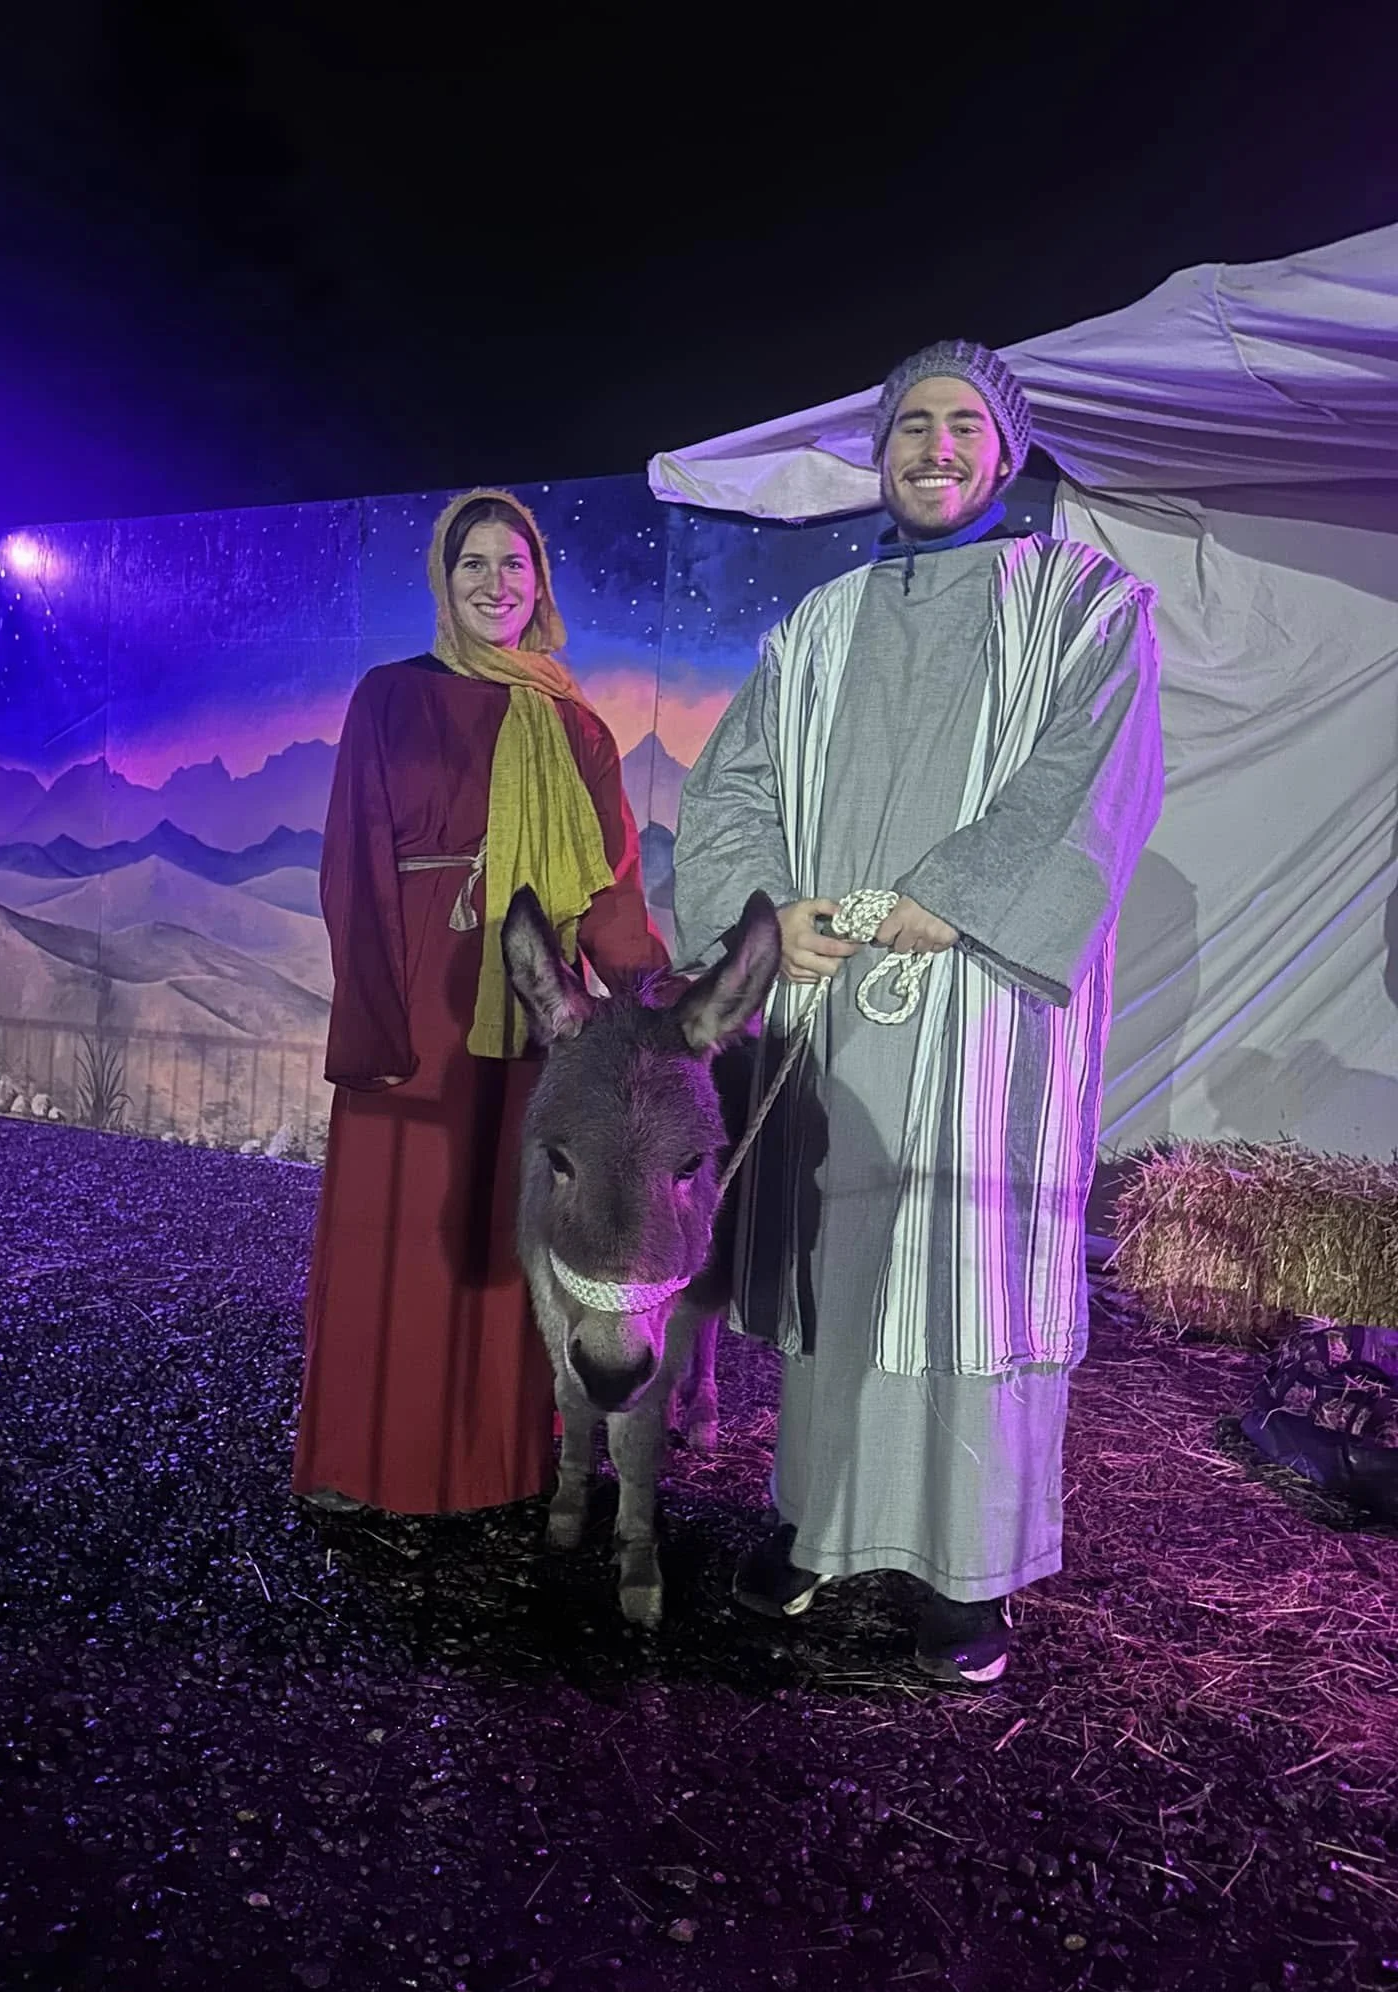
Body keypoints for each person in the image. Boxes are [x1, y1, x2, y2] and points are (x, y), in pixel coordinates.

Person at [673, 340, 1164, 1683]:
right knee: (838, 1262)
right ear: (881, 451)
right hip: (834, 1000)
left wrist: (957, 897)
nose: (935, 448)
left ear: (1006, 451)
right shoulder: (818, 626)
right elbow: (731, 787)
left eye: (963, 425)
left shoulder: (1084, 602)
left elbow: (1093, 774)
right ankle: (816, 1523)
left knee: (966, 1269)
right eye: (911, 427)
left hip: (982, 1010)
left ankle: (968, 1571)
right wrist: (770, 917)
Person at [294, 489, 668, 1516]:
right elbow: (353, 861)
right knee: (396, 1228)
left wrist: (659, 1002)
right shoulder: (390, 698)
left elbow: (609, 892)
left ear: (539, 584)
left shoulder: (576, 727)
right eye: (473, 564)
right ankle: (365, 1458)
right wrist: (371, 1013)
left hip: (535, 1008)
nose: (494, 583)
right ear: (443, 580)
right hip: (421, 1004)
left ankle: (492, 1463)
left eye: (514, 564)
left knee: (509, 1231)